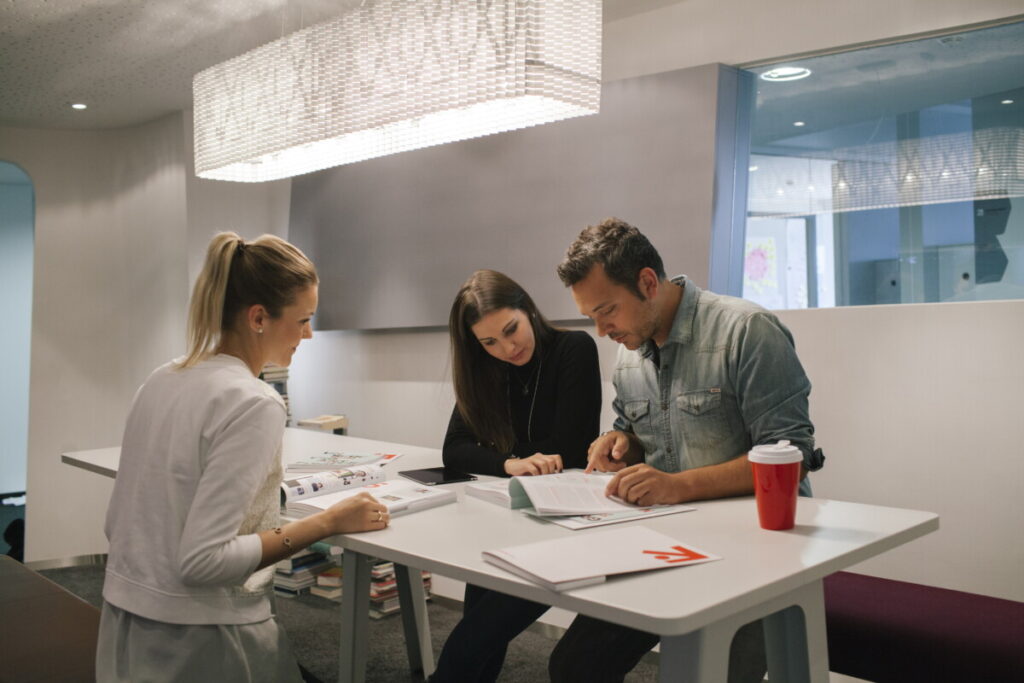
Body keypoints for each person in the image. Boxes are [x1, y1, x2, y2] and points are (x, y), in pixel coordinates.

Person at [96, 233, 390, 683]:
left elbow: (119, 522)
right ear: (258, 318)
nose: (308, 335)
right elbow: (204, 562)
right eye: (303, 320)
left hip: (124, 627)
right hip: (202, 639)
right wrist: (327, 523)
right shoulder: (254, 402)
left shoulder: (161, 379)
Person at [550, 218, 825, 683]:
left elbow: (789, 457)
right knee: (574, 666)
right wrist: (622, 445)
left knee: (704, 674)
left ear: (648, 283)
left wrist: (675, 487)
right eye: (591, 316)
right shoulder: (629, 349)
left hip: (752, 554)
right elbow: (640, 434)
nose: (600, 330)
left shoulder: (746, 330)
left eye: (607, 311)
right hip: (665, 546)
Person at [432, 269, 602, 682]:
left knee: (472, 640)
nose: (507, 348)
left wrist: (502, 454)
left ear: (528, 309)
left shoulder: (573, 349)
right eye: (489, 342)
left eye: (511, 330)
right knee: (479, 637)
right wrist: (509, 464)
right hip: (510, 517)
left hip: (561, 524)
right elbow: (454, 449)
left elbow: (571, 452)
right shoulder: (486, 368)